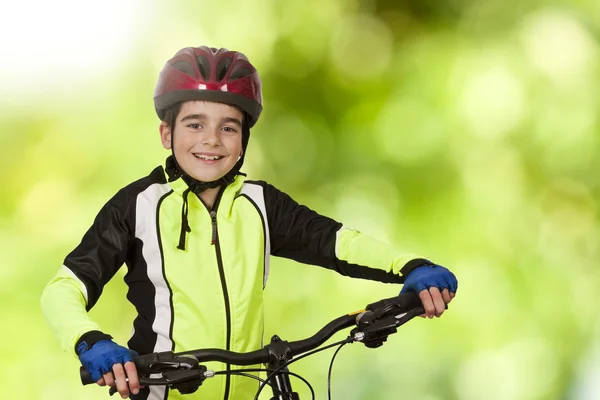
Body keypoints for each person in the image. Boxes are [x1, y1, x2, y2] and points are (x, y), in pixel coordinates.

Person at [41, 46, 458, 400]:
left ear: (243, 141)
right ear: (166, 134)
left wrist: (412, 267)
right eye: (194, 124)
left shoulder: (260, 204)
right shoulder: (137, 206)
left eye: (228, 127)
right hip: (164, 390)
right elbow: (64, 291)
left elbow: (335, 241)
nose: (211, 140)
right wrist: (91, 342)